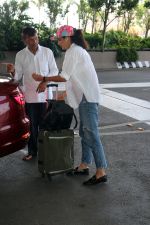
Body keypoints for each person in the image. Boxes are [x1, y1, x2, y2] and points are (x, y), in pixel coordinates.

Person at [32, 25, 108, 185]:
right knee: (84, 132)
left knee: (91, 134)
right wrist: (63, 94)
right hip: (86, 98)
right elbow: (73, 78)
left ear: (69, 38)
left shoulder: (74, 52)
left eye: (60, 39)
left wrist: (44, 78)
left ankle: (101, 171)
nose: (59, 43)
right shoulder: (76, 51)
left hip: (88, 98)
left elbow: (64, 77)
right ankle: (84, 165)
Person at [7, 27, 59, 161]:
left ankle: (47, 152)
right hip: (30, 96)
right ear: (24, 40)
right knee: (32, 126)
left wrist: (45, 82)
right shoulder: (20, 55)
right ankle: (32, 151)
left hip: (47, 96)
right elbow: (17, 77)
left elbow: (54, 71)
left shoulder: (47, 52)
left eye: (36, 38)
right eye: (30, 40)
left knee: (46, 125)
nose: (34, 41)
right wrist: (12, 71)